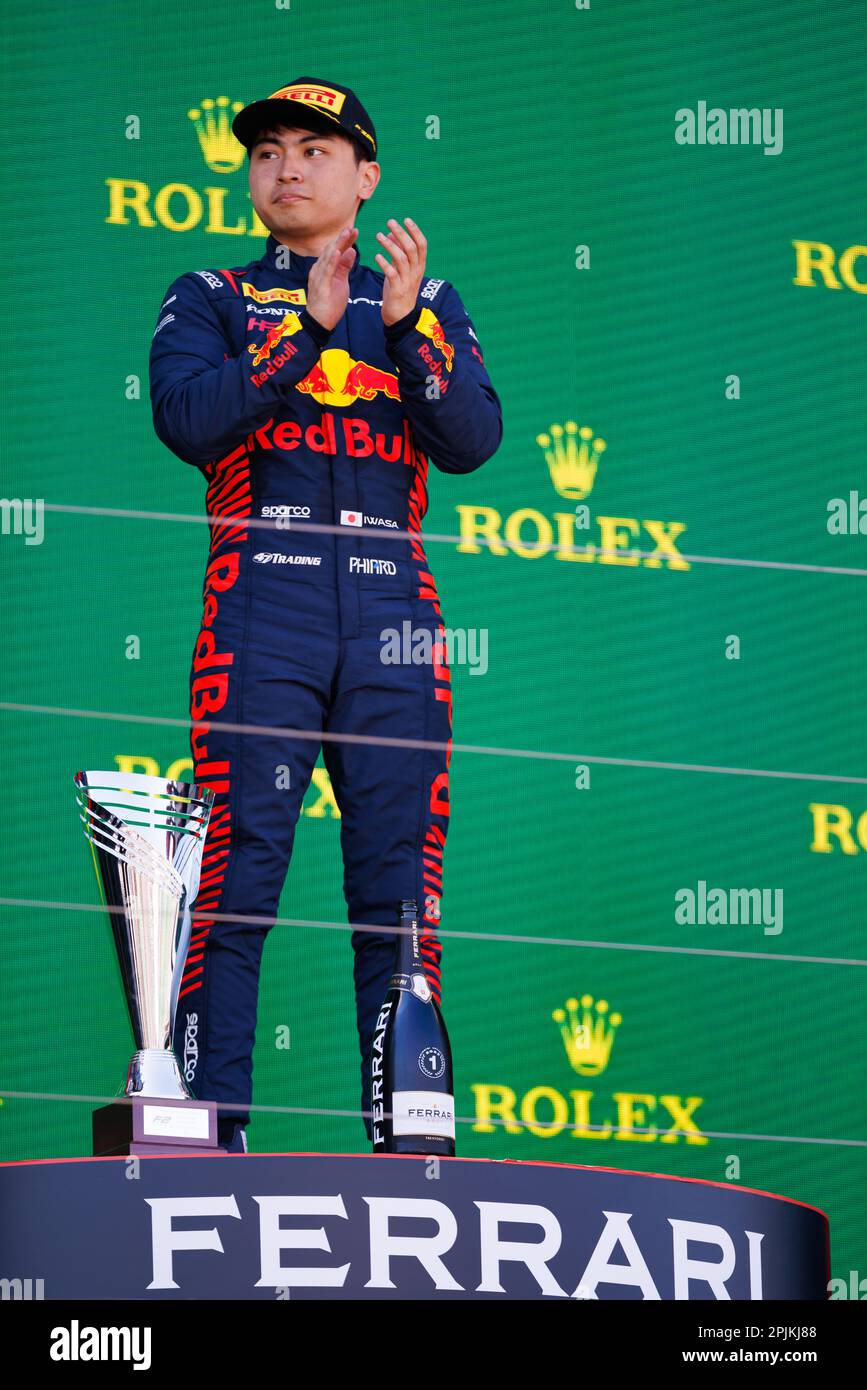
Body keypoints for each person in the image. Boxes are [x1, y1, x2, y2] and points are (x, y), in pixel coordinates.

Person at [149, 77, 502, 1153]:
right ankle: (207, 1130)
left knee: (402, 887)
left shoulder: (423, 299)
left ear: (366, 176)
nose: (287, 168)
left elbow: (473, 438)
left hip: (397, 614)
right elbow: (190, 422)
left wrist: (401, 328)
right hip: (265, 602)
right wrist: (298, 333)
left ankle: (416, 1137)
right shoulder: (210, 292)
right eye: (267, 153)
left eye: (314, 150)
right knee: (235, 873)